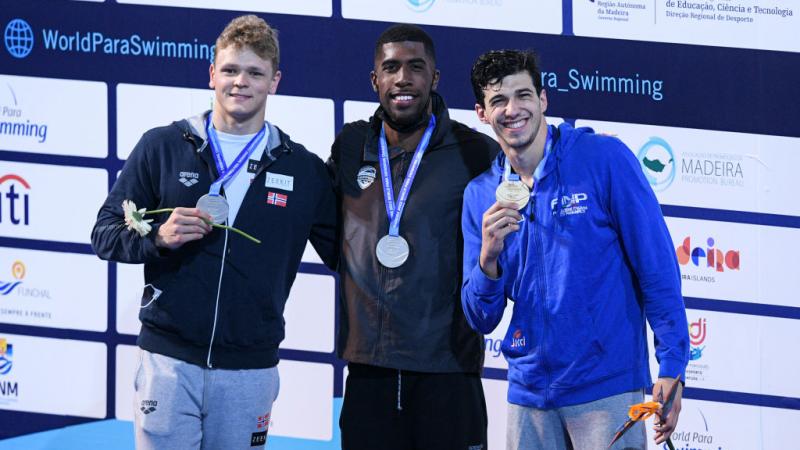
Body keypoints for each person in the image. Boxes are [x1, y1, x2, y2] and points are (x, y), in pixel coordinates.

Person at [91, 15, 336, 449]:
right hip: (168, 362)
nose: (240, 82)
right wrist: (157, 239)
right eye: (230, 70)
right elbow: (105, 234)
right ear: (212, 75)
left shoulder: (303, 169)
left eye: (255, 73)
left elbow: (346, 254)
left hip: (249, 369)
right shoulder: (162, 146)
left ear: (274, 82)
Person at [461, 49, 690, 450]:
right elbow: (481, 318)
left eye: (523, 95)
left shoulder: (604, 159)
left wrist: (673, 364)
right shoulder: (481, 195)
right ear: (482, 113)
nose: (513, 109)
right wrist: (488, 260)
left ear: (543, 99)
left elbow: (656, 266)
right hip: (528, 395)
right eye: (498, 100)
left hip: (606, 388)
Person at [327, 24, 499, 450]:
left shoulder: (475, 152)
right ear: (375, 81)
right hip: (370, 371)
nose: (403, 78)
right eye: (391, 68)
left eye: (415, 67)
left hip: (448, 371)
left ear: (434, 79)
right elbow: (330, 231)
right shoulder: (351, 145)